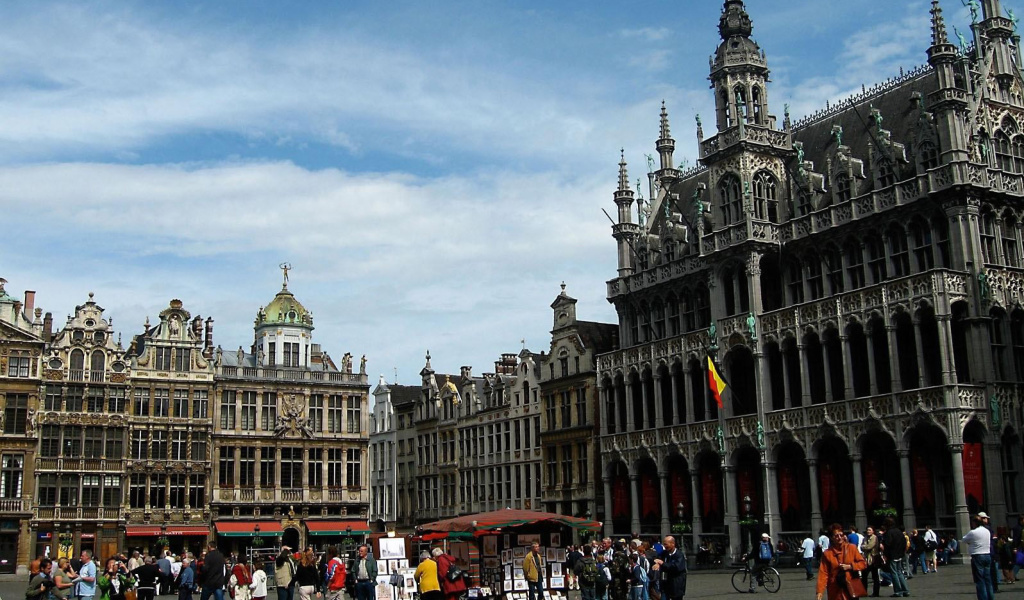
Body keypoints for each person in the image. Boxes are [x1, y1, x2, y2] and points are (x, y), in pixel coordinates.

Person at [816, 523, 867, 600]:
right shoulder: (827, 553)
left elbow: (863, 564)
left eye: (841, 535)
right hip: (835, 589)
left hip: (850, 587)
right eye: (836, 536)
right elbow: (823, 573)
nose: (839, 538)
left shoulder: (852, 548)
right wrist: (819, 591)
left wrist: (851, 566)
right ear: (831, 538)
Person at [964, 515, 995, 600]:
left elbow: (964, 539)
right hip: (987, 555)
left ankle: (983, 598)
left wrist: (971, 543)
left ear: (974, 523)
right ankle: (991, 597)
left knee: (980, 580)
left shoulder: (973, 532)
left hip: (978, 556)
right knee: (988, 580)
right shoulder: (987, 531)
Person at [880, 517, 909, 598]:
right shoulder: (899, 531)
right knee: (899, 572)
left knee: (894, 573)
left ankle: (898, 591)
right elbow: (904, 543)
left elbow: (888, 545)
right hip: (899, 555)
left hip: (893, 555)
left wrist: (885, 554)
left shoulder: (889, 533)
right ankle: (905, 590)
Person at [652, 536, 685, 600]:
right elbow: (657, 559)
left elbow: (676, 567)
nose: (664, 546)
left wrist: (662, 563)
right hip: (665, 584)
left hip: (676, 585)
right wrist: (657, 564)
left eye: (666, 544)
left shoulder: (679, 555)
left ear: (673, 544)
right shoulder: (664, 553)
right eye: (664, 544)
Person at [860, 526, 882, 598]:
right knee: (864, 576)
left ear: (873, 531)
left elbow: (869, 546)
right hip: (866, 559)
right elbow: (862, 547)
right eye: (867, 530)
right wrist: (864, 547)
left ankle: (876, 593)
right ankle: (864, 592)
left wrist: (864, 546)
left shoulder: (874, 537)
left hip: (873, 559)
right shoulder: (865, 538)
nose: (868, 531)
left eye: (869, 530)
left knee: (875, 576)